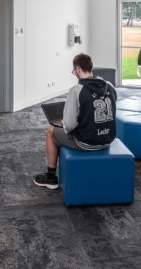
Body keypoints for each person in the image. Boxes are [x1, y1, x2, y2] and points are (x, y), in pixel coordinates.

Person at [33, 53, 117, 189]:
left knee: (50, 131)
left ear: (78, 69)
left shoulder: (76, 90)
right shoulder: (109, 86)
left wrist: (64, 123)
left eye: (74, 71)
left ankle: (50, 178)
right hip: (107, 139)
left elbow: (70, 126)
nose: (75, 73)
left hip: (87, 142)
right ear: (91, 67)